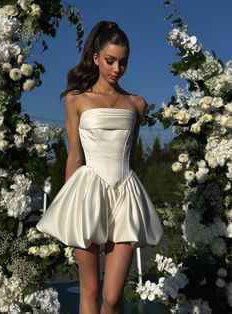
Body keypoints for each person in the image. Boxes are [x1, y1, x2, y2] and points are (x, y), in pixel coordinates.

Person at [36, 20, 164, 314]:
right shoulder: (75, 100)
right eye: (110, 61)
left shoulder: (137, 103)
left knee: (112, 295)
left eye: (123, 62)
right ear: (96, 58)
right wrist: (67, 210)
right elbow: (74, 156)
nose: (116, 69)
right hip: (86, 195)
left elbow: (131, 157)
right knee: (90, 292)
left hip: (124, 193)